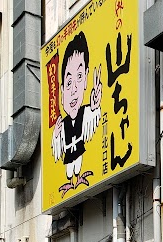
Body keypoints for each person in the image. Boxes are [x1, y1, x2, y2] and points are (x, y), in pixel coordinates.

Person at [51, 31, 102, 196]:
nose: (73, 89)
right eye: (69, 81)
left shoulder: (84, 112)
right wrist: (57, 134)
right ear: (62, 88)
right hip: (69, 151)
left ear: (86, 78)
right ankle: (71, 181)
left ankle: (78, 178)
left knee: (77, 161)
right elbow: (56, 148)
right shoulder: (63, 122)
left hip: (79, 148)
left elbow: (92, 120)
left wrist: (95, 106)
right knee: (70, 164)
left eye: (79, 77)